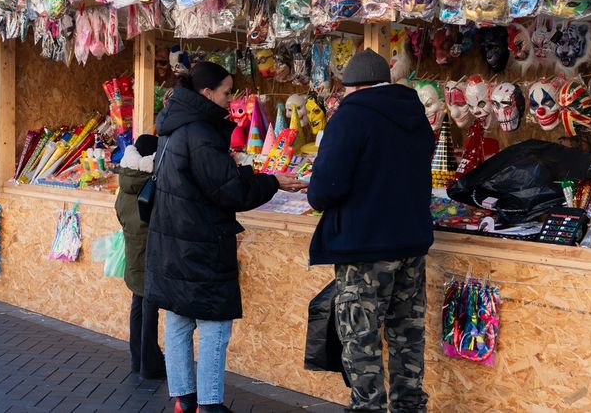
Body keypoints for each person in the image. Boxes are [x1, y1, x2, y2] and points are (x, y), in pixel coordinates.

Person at [146, 62, 307, 413]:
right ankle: (209, 404)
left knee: (177, 319)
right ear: (207, 93)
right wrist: (271, 181)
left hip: (173, 239)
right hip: (201, 241)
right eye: (227, 91)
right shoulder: (201, 132)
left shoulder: (174, 127)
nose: (230, 98)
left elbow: (208, 179)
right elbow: (231, 191)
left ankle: (184, 400)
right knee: (214, 325)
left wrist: (247, 171)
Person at [306, 49, 436, 413]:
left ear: (353, 87)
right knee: (407, 337)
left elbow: (324, 190)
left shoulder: (350, 117)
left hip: (363, 248)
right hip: (411, 243)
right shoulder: (415, 115)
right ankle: (409, 408)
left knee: (361, 343)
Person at [114, 133, 165, 380]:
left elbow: (122, 214)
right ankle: (150, 364)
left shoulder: (125, 183)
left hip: (133, 253)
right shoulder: (154, 183)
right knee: (149, 309)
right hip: (151, 253)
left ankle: (138, 359)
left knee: (139, 305)